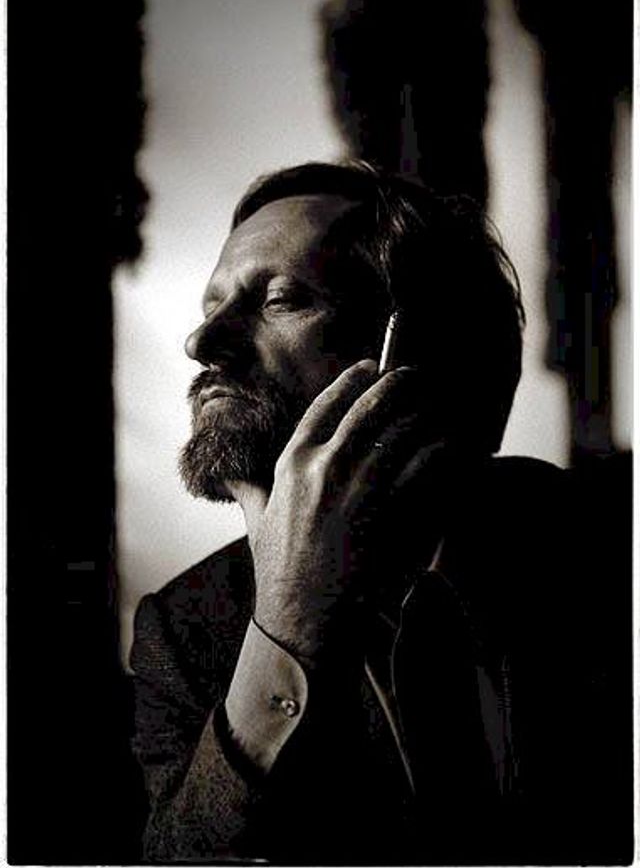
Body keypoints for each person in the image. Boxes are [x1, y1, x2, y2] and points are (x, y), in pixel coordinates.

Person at [130, 162, 623, 865]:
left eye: (280, 299)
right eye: (212, 305)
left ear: (412, 352)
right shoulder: (183, 629)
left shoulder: (606, 544)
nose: (201, 342)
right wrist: (287, 625)